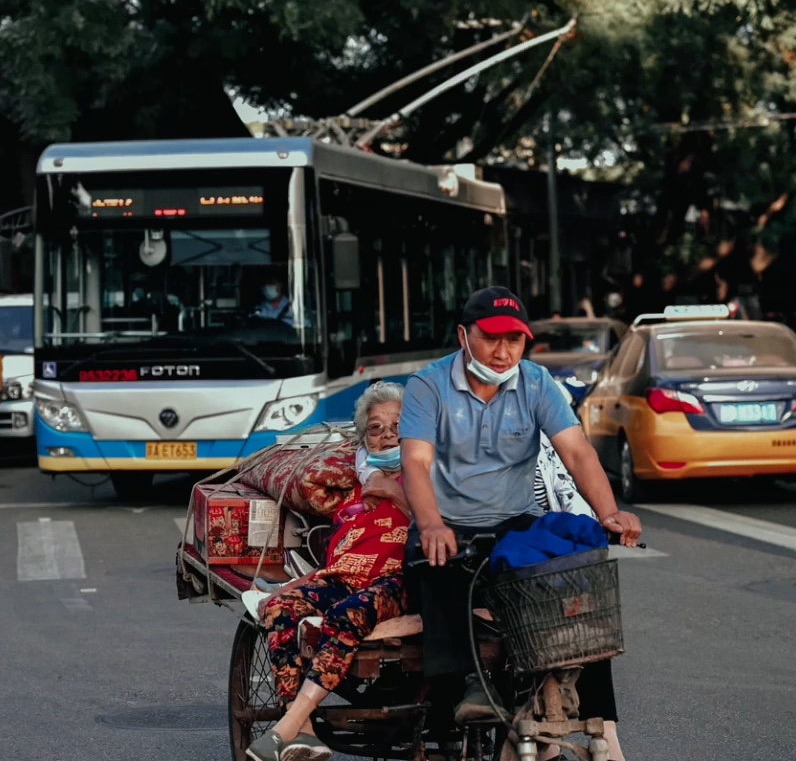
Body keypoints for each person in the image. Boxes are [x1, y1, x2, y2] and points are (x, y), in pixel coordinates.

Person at [399, 286, 642, 760]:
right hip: (448, 523)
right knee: (437, 565)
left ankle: (602, 722)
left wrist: (608, 511)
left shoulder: (535, 383)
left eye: (515, 339)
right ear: (464, 337)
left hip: (514, 523)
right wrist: (430, 524)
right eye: (491, 338)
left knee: (577, 575)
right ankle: (468, 687)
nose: (503, 351)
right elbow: (415, 463)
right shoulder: (428, 386)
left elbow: (577, 452)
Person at [247, 382, 411, 761]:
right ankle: (304, 733)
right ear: (364, 438)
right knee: (277, 608)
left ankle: (288, 724)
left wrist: (390, 491)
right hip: (345, 577)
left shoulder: (425, 473)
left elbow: (435, 525)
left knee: (344, 616)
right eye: (375, 428)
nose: (387, 435)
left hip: (401, 580)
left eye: (397, 426)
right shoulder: (355, 480)